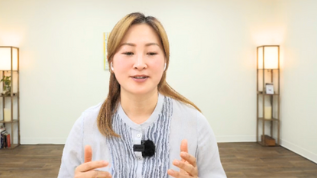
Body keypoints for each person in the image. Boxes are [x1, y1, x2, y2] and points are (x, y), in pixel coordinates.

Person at [58, 12, 226, 178]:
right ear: (111, 62)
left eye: (151, 53)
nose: (139, 64)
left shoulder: (195, 122)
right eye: (128, 53)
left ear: (165, 61)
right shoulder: (86, 125)